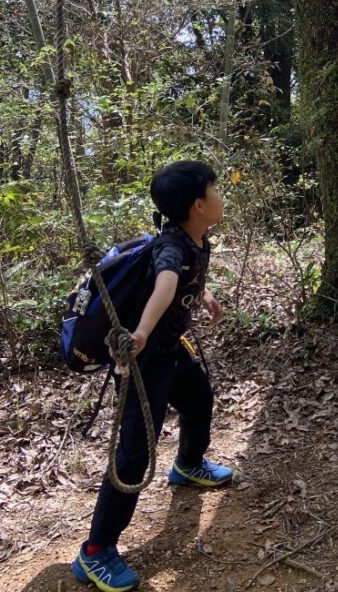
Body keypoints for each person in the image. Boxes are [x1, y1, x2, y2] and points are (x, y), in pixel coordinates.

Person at [72, 161, 233, 592]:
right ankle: (95, 551)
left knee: (200, 398)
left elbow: (183, 280)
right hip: (145, 362)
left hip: (172, 350)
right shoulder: (170, 249)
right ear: (198, 205)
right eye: (215, 189)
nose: (220, 195)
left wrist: (205, 295)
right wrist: (141, 333)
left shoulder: (192, 239)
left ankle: (188, 464)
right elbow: (165, 282)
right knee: (133, 455)